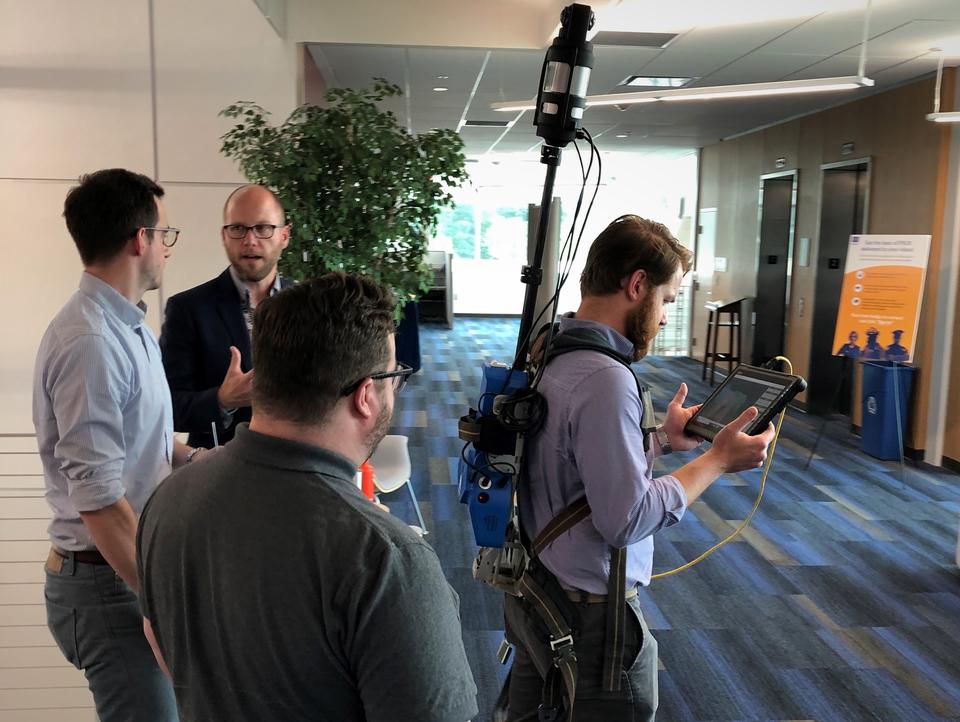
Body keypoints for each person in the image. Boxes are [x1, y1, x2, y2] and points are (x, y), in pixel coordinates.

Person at [137, 273, 479, 722]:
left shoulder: (166, 500)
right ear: (365, 396)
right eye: (394, 378)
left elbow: (158, 643)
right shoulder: (386, 560)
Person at [504, 215, 775, 722]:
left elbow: (570, 458)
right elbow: (625, 518)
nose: (668, 316)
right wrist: (716, 460)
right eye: (669, 300)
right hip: (590, 620)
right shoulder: (606, 379)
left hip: (538, 590)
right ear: (637, 285)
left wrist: (659, 441)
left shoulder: (551, 350)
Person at [33, 168, 208, 721]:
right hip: (107, 583)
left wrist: (210, 462)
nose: (165, 250)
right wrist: (162, 604)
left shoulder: (126, 328)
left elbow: (145, 448)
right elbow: (101, 501)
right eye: (164, 235)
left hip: (118, 573)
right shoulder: (91, 342)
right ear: (140, 239)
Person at [160, 184, 292, 448]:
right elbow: (165, 406)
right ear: (224, 235)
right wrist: (221, 400)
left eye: (264, 228)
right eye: (238, 228)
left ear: (284, 236)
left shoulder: (310, 307)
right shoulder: (188, 309)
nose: (250, 240)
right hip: (219, 471)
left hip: (296, 468)